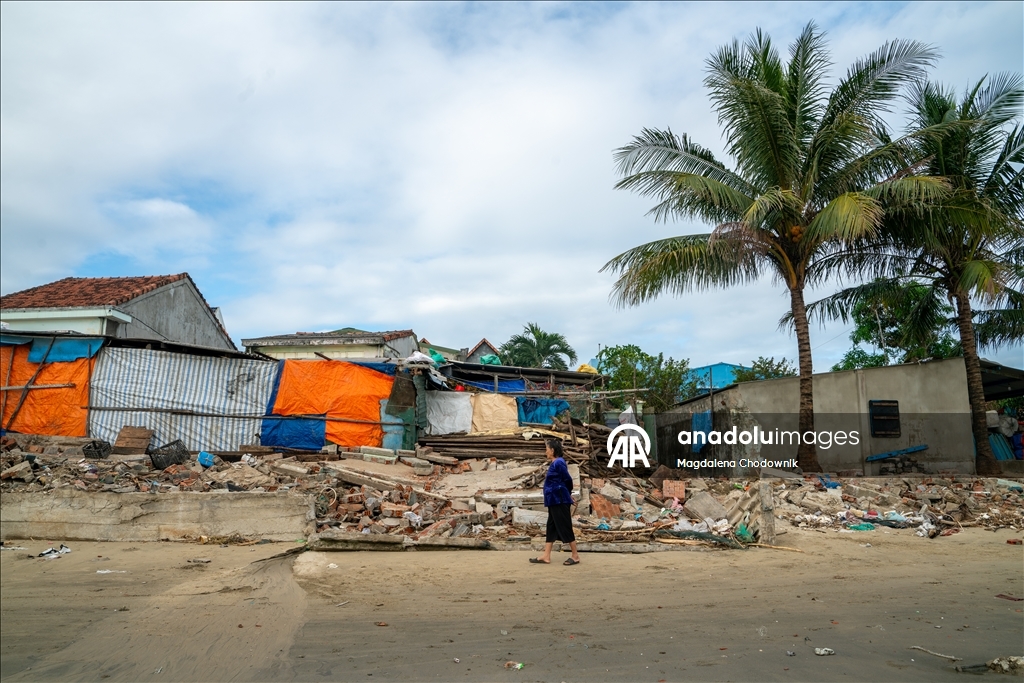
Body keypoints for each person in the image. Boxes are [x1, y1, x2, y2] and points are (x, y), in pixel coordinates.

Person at [530, 438, 581, 565]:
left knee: (565, 526)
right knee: (551, 527)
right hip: (554, 500)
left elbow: (567, 479)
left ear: (552, 450)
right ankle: (546, 556)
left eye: (547, 449)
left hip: (559, 500)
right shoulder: (555, 463)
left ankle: (575, 556)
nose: (546, 451)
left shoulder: (559, 463)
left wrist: (567, 494)